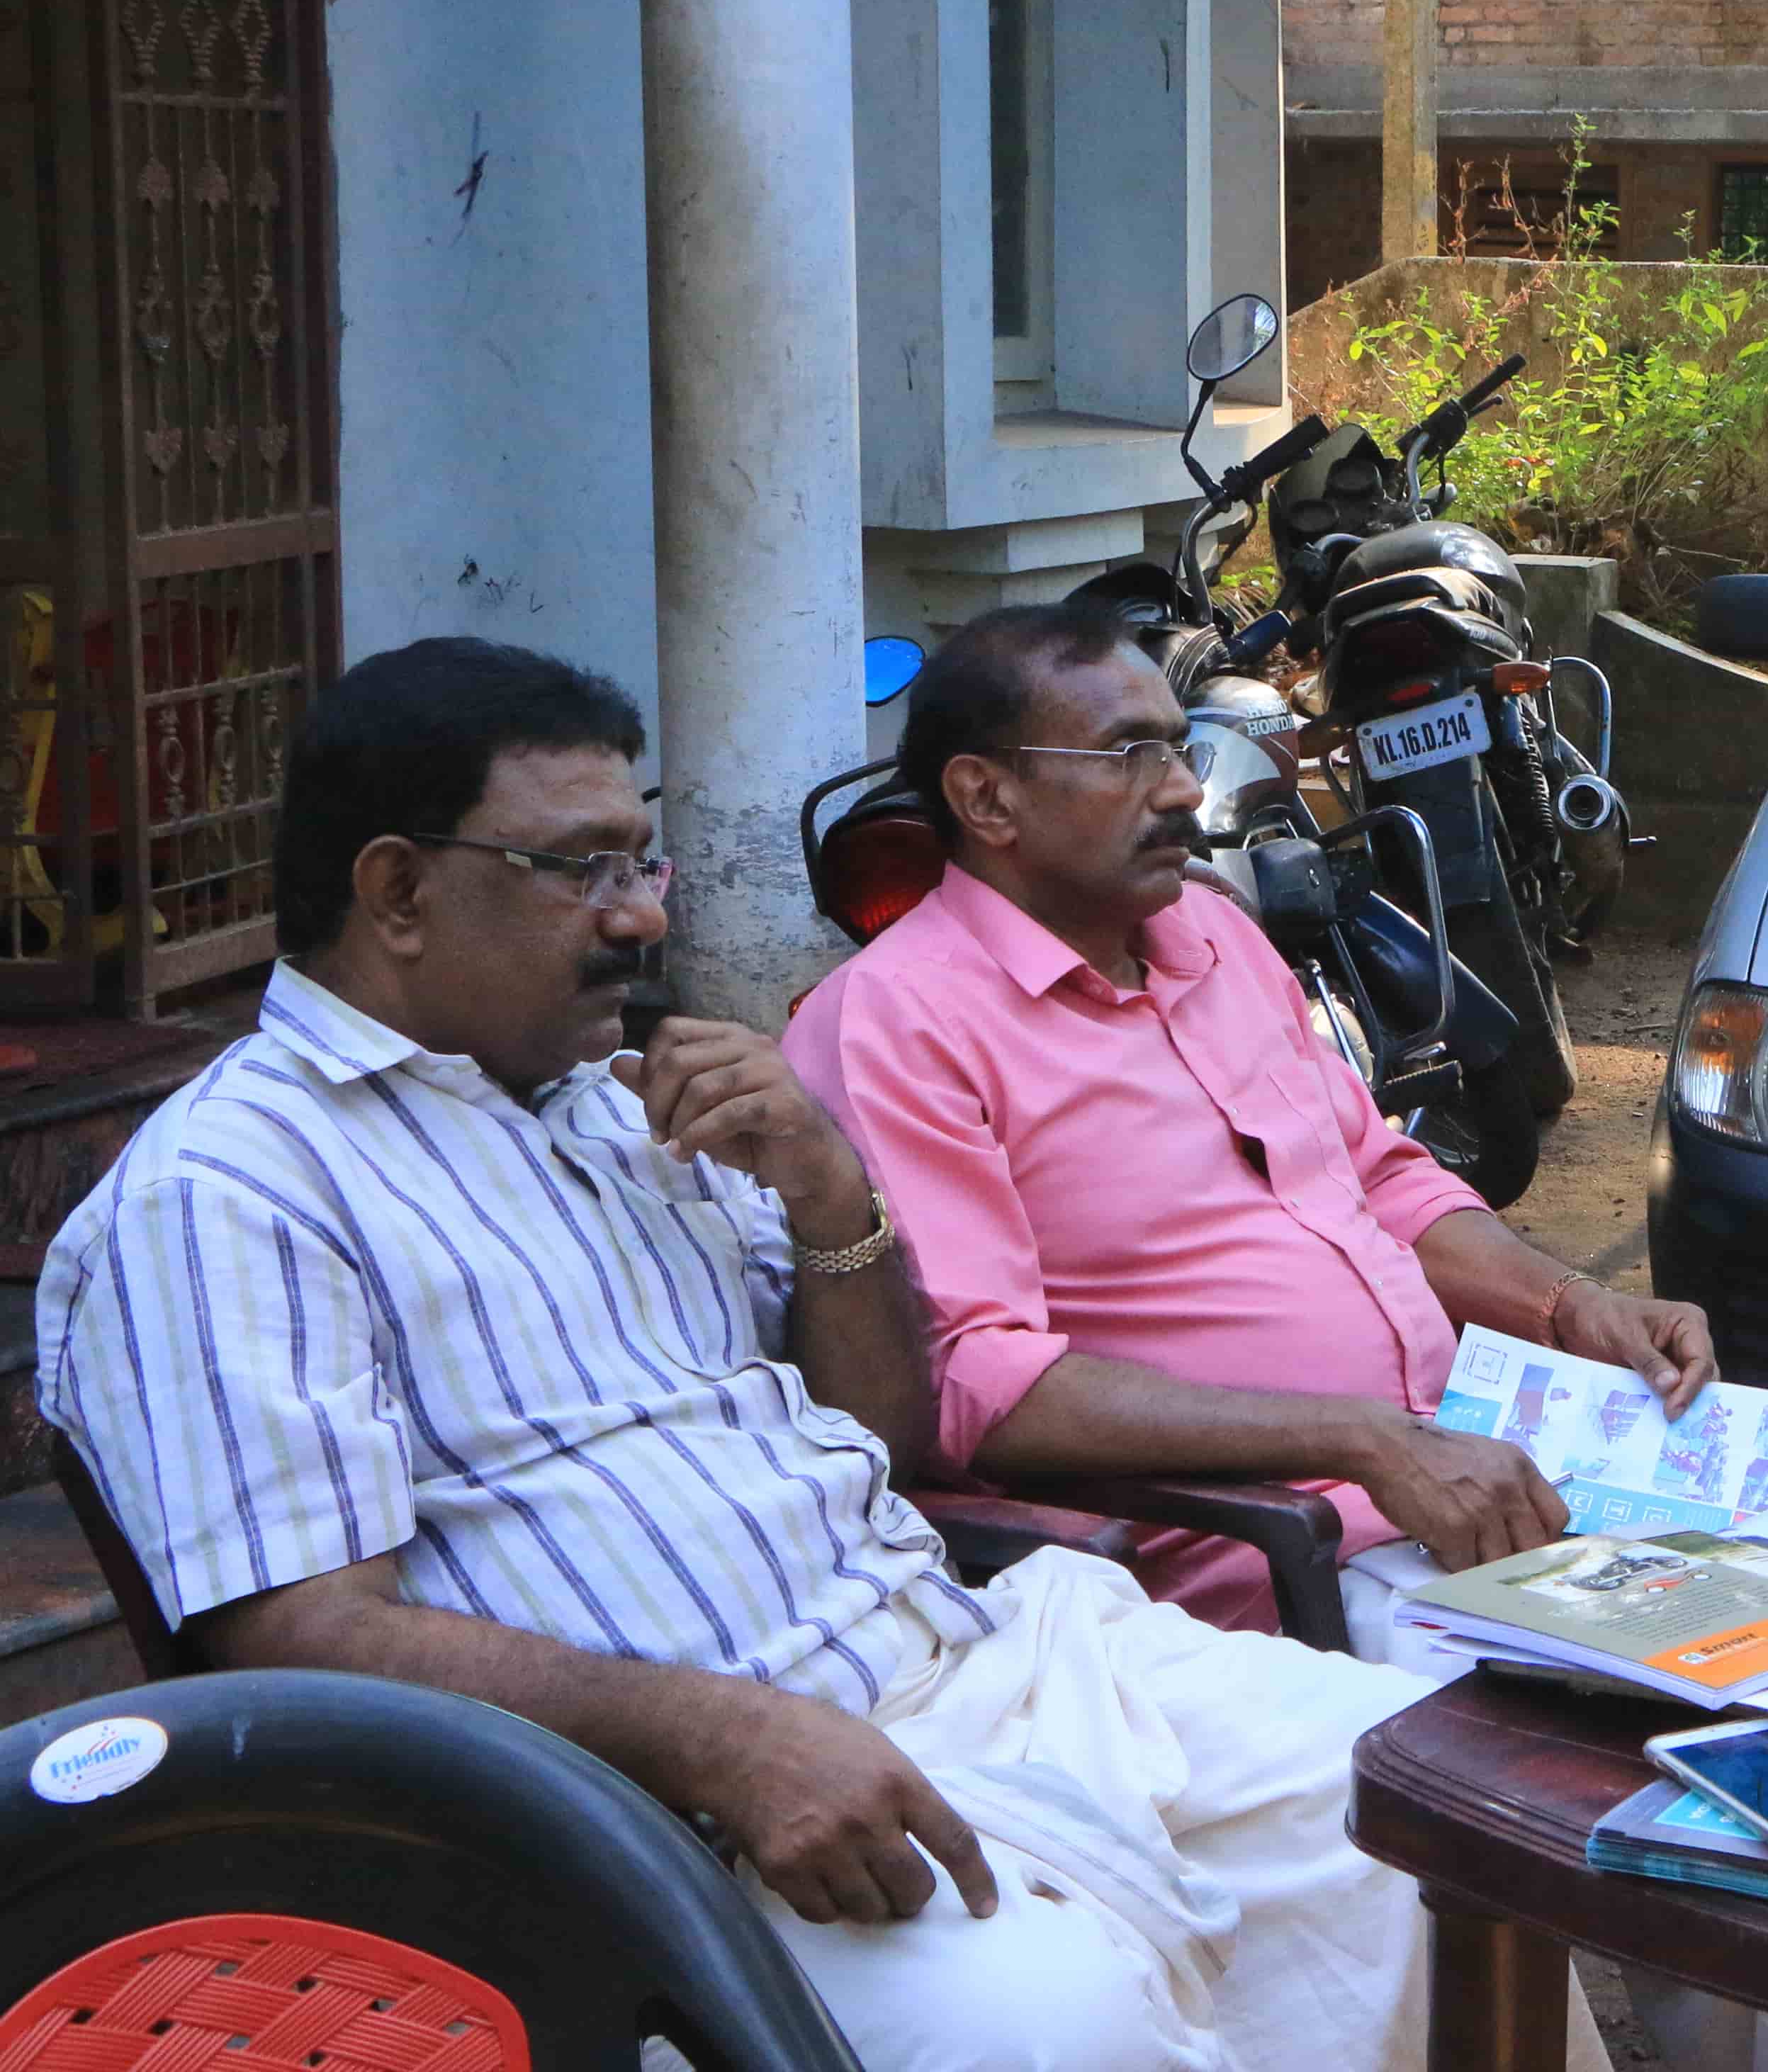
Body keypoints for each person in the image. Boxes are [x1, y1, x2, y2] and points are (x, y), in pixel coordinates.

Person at [40, 636, 1575, 2072]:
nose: (641, 916)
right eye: (579, 868)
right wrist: (723, 1739)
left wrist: (836, 1201)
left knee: (1428, 1812)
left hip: (986, 1661)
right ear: (396, 892)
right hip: (661, 1814)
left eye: (639, 860)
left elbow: (887, 1436)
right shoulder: (232, 1193)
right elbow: (299, 1635)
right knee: (1058, 2021)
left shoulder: (620, 1107)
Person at [783, 604, 1713, 1654]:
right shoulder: (899, 1023)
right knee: (1676, 1696)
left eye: (1176, 747)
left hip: (1465, 1479)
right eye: (1128, 756)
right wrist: (1362, 1442)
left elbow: (1379, 1178)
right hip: (1281, 1566)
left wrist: (1571, 1304)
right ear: (986, 798)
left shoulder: (1211, 930)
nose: (1182, 789)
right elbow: (977, 1385)